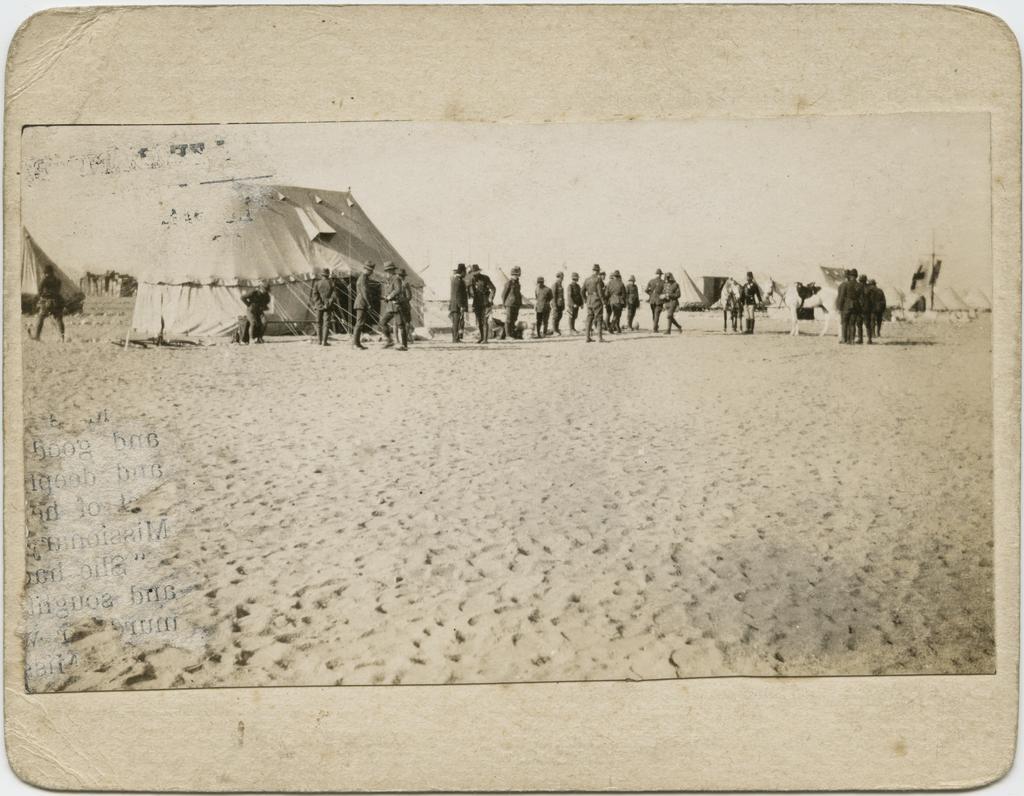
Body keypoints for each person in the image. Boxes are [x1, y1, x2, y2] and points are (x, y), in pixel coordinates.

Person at [32, 264, 66, 342]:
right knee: (58, 319)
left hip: (47, 301)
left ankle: (37, 336)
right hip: (57, 301)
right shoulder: (58, 280)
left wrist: (42, 296)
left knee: (41, 318)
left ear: (47, 272)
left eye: (45, 272)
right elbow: (58, 291)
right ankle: (62, 337)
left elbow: (40, 291)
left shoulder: (45, 279)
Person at [380, 261, 408, 350]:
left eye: (388, 270)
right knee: (383, 322)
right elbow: (390, 291)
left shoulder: (396, 279)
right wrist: (386, 297)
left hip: (396, 305)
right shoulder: (389, 280)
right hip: (390, 307)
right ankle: (389, 340)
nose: (387, 272)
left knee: (400, 325)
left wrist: (389, 296)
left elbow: (398, 290)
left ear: (392, 270)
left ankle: (404, 345)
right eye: (386, 271)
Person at [468, 264, 496, 343]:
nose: (474, 274)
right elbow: (470, 292)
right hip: (476, 303)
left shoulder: (485, 278)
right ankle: (481, 337)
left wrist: (490, 298)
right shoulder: (471, 280)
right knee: (479, 321)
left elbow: (493, 289)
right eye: (473, 273)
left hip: (485, 302)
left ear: (478, 272)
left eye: (475, 272)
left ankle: (485, 339)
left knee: (484, 320)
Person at [307, 269, 336, 346]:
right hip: (328, 307)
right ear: (328, 275)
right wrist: (327, 304)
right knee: (326, 323)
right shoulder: (331, 283)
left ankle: (319, 341)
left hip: (318, 306)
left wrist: (319, 304)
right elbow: (333, 296)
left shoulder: (317, 283)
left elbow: (315, 295)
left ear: (322, 275)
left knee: (318, 323)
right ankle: (325, 342)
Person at [240, 280, 272, 345]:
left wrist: (264, 307)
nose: (266, 291)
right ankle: (252, 339)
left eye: (267, 290)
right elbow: (242, 297)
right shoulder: (254, 293)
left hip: (259, 311)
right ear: (261, 288)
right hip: (251, 311)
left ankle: (259, 337)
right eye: (265, 289)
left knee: (264, 322)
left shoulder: (266, 295)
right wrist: (248, 304)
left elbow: (267, 302)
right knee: (253, 323)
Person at [352, 261, 375, 350]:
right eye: (370, 270)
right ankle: (355, 344)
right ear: (366, 270)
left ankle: (358, 343)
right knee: (359, 323)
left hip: (362, 302)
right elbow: (364, 293)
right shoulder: (363, 278)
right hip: (362, 303)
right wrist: (369, 304)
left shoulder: (364, 278)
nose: (371, 272)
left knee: (360, 323)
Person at [583, 264, 607, 343]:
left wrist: (585, 299)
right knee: (599, 318)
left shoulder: (587, 279)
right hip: (596, 300)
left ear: (592, 270)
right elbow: (600, 292)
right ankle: (600, 338)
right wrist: (603, 301)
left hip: (589, 300)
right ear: (598, 271)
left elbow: (582, 291)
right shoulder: (598, 279)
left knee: (589, 318)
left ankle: (587, 337)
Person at [502, 266, 523, 339]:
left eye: (517, 275)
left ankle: (511, 334)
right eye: (515, 275)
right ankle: (508, 335)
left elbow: (518, 294)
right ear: (512, 275)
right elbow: (503, 294)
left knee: (514, 319)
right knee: (508, 319)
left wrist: (520, 303)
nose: (516, 276)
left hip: (516, 304)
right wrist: (504, 304)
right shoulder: (509, 283)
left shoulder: (518, 283)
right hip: (509, 304)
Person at [449, 263, 468, 343]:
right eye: (465, 272)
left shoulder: (454, 280)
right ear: (462, 272)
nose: (466, 274)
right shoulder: (459, 281)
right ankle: (455, 338)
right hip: (457, 305)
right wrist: (461, 306)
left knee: (455, 322)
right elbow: (458, 295)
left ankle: (455, 338)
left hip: (454, 304)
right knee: (456, 322)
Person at [835, 269, 853, 344]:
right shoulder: (853, 284)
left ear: (844, 276)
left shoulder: (843, 285)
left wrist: (839, 307)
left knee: (844, 323)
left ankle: (844, 339)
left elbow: (841, 297)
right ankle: (850, 339)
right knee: (851, 323)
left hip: (845, 306)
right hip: (853, 306)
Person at [645, 268, 664, 332]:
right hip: (659, 300)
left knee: (654, 314)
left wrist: (651, 294)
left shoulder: (651, 281)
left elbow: (646, 290)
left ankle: (655, 326)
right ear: (661, 275)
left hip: (652, 300)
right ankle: (655, 328)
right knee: (657, 314)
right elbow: (664, 291)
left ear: (656, 274)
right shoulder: (663, 282)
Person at [399, 268, 415, 345]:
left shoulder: (405, 284)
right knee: (405, 323)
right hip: (402, 306)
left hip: (403, 306)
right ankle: (405, 338)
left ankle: (404, 338)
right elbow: (409, 296)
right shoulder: (404, 284)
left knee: (405, 323)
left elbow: (409, 296)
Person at [855, 274, 872, 344]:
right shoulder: (869, 287)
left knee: (859, 324)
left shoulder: (858, 287)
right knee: (867, 324)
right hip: (866, 308)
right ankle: (869, 339)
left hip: (860, 308)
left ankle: (860, 339)